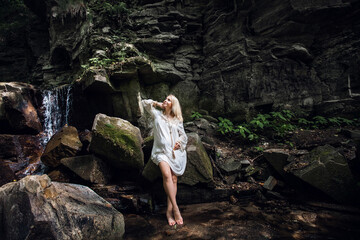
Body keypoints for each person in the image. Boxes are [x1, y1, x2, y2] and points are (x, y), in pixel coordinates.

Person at [142, 95, 188, 226]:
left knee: (174, 179)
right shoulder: (156, 114)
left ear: (173, 105)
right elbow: (145, 103)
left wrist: (180, 143)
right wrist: (157, 103)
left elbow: (183, 135)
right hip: (160, 153)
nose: (165, 101)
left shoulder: (177, 120)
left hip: (174, 153)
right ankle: (175, 209)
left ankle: (169, 211)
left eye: (169, 100)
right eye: (165, 99)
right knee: (167, 175)